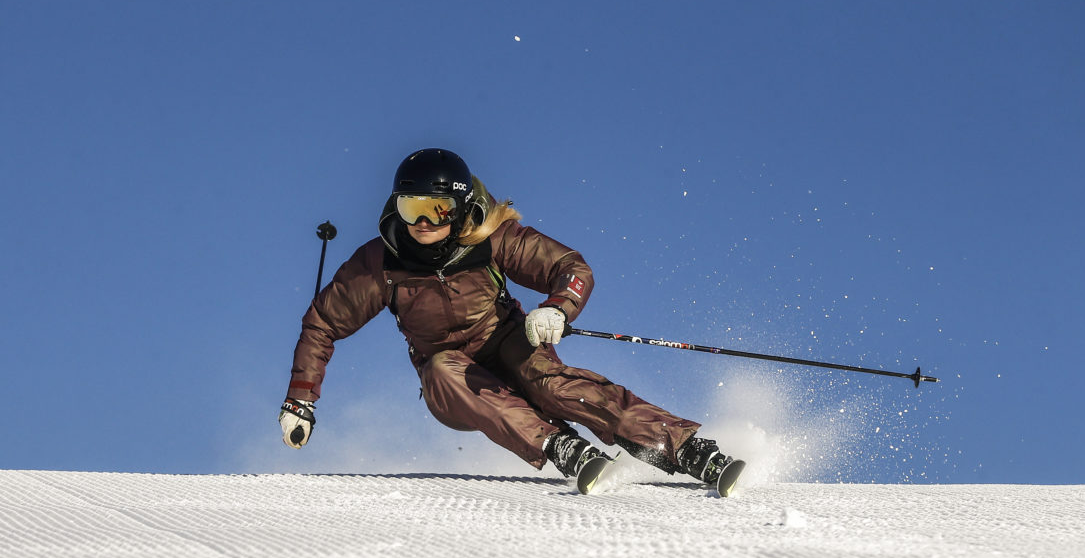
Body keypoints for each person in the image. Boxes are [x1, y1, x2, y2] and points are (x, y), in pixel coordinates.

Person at [279, 148, 745, 496]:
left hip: (507, 340)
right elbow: (322, 324)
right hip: (450, 376)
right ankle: (559, 446)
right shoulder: (381, 262)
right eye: (409, 209)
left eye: (434, 210)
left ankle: (684, 448)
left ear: (460, 210)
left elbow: (572, 269)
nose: (420, 224)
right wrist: (301, 401)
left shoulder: (491, 238)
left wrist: (558, 308)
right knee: (444, 368)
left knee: (551, 385)